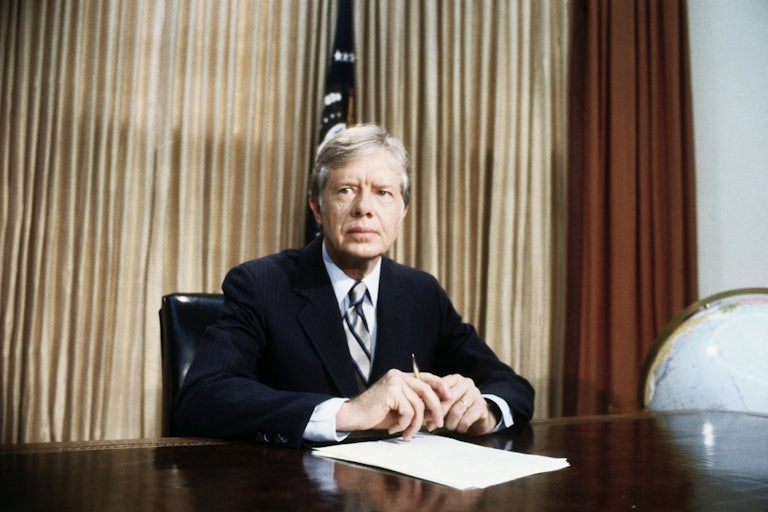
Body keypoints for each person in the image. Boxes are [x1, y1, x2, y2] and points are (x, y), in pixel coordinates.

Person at [174, 124, 534, 448]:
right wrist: (347, 412)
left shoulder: (421, 293)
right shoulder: (260, 284)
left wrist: (484, 409)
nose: (364, 208)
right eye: (346, 190)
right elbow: (202, 398)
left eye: (382, 193)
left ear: (401, 213)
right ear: (317, 209)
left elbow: (511, 385)